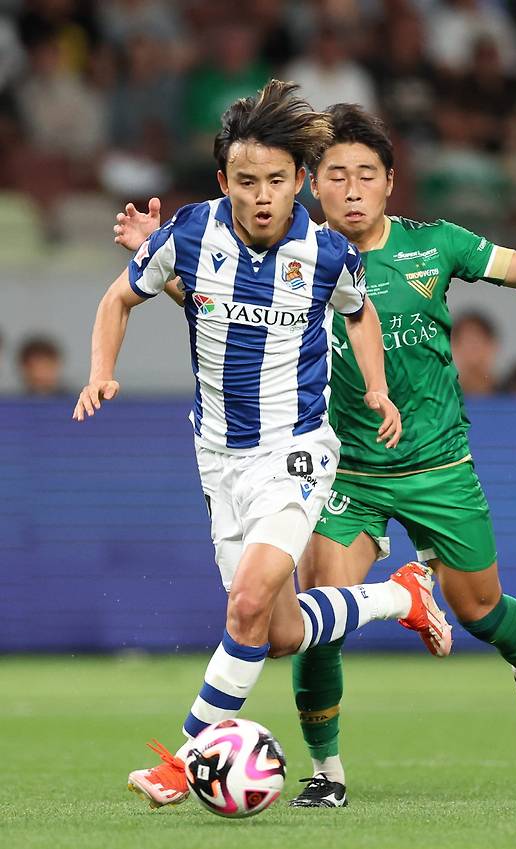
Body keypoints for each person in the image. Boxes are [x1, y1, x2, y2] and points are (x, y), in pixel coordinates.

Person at [114, 103, 516, 808]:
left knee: (479, 607)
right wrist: (163, 261)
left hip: (437, 466)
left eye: (367, 174)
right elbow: (221, 305)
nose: (353, 188)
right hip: (340, 475)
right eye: (337, 175)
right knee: (310, 622)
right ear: (313, 184)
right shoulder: (295, 251)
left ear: (391, 182)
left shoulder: (438, 246)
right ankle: (326, 771)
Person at [74, 82, 449, 810]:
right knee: (275, 632)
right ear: (224, 182)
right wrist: (100, 369)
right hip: (218, 460)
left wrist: (374, 387)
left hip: (297, 452)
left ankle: (182, 762)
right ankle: (395, 595)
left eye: (278, 180)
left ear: (299, 181)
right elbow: (119, 296)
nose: (263, 195)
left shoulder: (326, 250)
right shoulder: (190, 234)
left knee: (246, 603)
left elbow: (361, 312)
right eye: (247, 181)